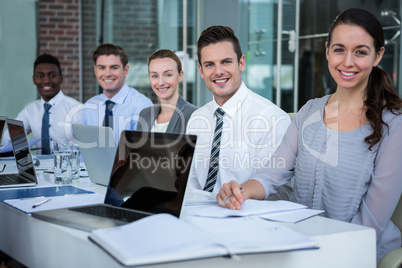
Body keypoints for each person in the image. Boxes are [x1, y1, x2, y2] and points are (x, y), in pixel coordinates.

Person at [217, 8, 402, 264]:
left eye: (360, 51)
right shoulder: (309, 112)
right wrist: (241, 190)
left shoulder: (392, 125)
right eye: (339, 49)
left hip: (356, 252)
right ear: (327, 51)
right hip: (303, 245)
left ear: (378, 55)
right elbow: (272, 173)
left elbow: (369, 224)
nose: (347, 61)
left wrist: (320, 254)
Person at [186, 25, 291, 195]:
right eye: (209, 65)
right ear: (201, 71)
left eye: (226, 62)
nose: (218, 72)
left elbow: (279, 191)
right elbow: (190, 185)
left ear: (241, 63)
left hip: (247, 216)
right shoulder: (196, 119)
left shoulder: (272, 118)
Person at [1, 53, 83, 154]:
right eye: (40, 76)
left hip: (68, 168)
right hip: (40, 167)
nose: (46, 80)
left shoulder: (77, 109)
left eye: (52, 75)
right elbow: (8, 140)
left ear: (61, 78)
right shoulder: (29, 110)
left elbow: (90, 147)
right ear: (34, 80)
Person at [81, 43, 152, 143]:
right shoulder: (89, 106)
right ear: (95, 71)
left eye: (114, 68)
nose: (107, 74)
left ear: (125, 70)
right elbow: (81, 149)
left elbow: (144, 151)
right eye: (102, 68)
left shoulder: (141, 105)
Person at [136, 49, 197, 133]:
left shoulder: (193, 115)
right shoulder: (145, 114)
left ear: (180, 76)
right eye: (155, 76)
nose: (160, 83)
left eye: (168, 75)